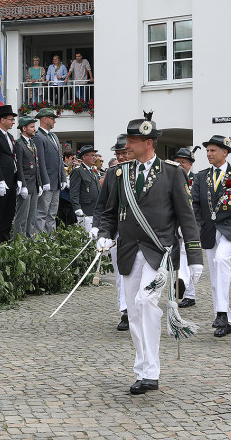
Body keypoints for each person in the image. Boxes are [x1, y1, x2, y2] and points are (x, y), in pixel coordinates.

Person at [98, 114, 202, 395]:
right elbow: (109, 212)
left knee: (146, 301)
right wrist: (105, 235)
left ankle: (151, 370)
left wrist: (194, 257)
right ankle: (142, 368)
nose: (127, 145)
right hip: (130, 252)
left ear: (148, 142)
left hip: (161, 252)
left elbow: (186, 217)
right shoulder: (119, 173)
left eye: (132, 141)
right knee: (134, 311)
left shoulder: (172, 173)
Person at [192, 135, 231, 338]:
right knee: (215, 276)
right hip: (209, 230)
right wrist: (192, 228)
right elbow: (195, 205)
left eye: (212, 151)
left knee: (222, 260)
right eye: (207, 151)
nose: (208, 154)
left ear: (224, 152)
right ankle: (224, 320)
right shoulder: (201, 176)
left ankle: (221, 313)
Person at [91, 134, 131, 331]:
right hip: (117, 229)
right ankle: (125, 310)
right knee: (120, 272)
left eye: (124, 153)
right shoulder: (113, 174)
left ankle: (139, 307)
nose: (121, 157)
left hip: (142, 232)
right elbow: (102, 204)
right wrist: (99, 229)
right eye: (118, 154)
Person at [174, 146, 199, 309]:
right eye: (178, 162)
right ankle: (185, 290)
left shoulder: (197, 180)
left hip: (192, 225)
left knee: (189, 258)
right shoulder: (171, 178)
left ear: (190, 164)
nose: (180, 165)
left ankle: (188, 292)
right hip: (175, 225)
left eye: (184, 162)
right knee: (179, 256)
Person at [34, 108, 67, 234]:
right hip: (47, 182)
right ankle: (39, 242)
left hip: (56, 182)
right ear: (44, 119)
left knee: (52, 214)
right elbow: (40, 161)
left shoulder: (54, 136)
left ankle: (50, 242)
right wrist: (45, 180)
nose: (54, 121)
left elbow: (59, 159)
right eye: (52, 118)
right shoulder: (38, 136)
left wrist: (63, 178)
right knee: (42, 214)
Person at [0, 105, 19, 246]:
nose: (13, 122)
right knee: (0, 214)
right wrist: (0, 180)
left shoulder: (10, 136)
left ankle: (6, 241)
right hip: (2, 181)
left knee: (9, 213)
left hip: (12, 179)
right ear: (2, 120)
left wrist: (18, 179)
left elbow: (13, 158)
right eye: (11, 119)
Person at [13, 115, 44, 237]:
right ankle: (19, 242)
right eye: (32, 127)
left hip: (34, 185)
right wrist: (22, 185)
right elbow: (19, 166)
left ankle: (29, 240)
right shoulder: (19, 144)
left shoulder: (32, 143)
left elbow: (37, 166)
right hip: (26, 184)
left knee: (32, 217)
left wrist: (40, 183)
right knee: (22, 217)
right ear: (24, 128)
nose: (34, 129)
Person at [70, 145, 100, 232]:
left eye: (95, 155)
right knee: (87, 236)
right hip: (85, 211)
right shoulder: (78, 171)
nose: (94, 157)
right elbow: (74, 192)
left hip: (95, 210)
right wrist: (77, 208)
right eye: (92, 155)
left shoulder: (92, 171)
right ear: (84, 157)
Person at [57, 149, 78, 227]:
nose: (74, 160)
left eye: (75, 158)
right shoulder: (61, 167)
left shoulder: (74, 168)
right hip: (63, 198)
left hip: (71, 198)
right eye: (72, 158)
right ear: (66, 158)